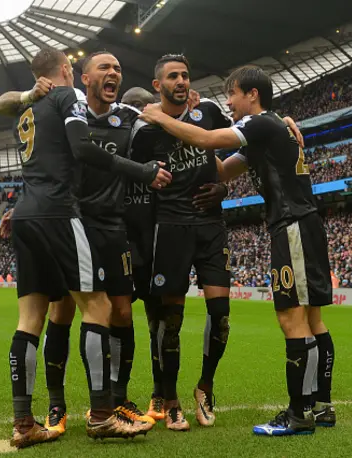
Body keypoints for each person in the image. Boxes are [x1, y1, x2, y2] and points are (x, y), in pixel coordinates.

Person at [139, 64, 335, 437]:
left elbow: (209, 141)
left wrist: (160, 118)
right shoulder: (269, 129)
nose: (228, 102)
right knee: (312, 321)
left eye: (232, 94)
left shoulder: (259, 124)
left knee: (292, 320)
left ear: (252, 95)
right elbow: (222, 169)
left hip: (292, 224)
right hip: (301, 223)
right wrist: (189, 134)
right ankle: (319, 406)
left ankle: (299, 414)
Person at [0, 47, 170, 448]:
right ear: (67, 70)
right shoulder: (66, 96)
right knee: (98, 307)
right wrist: (142, 171)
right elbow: (83, 149)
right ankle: (103, 415)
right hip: (60, 213)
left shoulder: (27, 109)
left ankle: (24, 423)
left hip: (27, 215)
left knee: (29, 320)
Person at [129, 54, 235, 432]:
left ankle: (205, 387)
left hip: (211, 225)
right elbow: (132, 182)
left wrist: (224, 186)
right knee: (169, 322)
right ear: (158, 85)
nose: (181, 81)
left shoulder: (207, 111)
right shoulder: (144, 131)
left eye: (185, 75)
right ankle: (170, 401)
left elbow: (245, 141)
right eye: (173, 76)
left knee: (220, 315)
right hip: (170, 227)